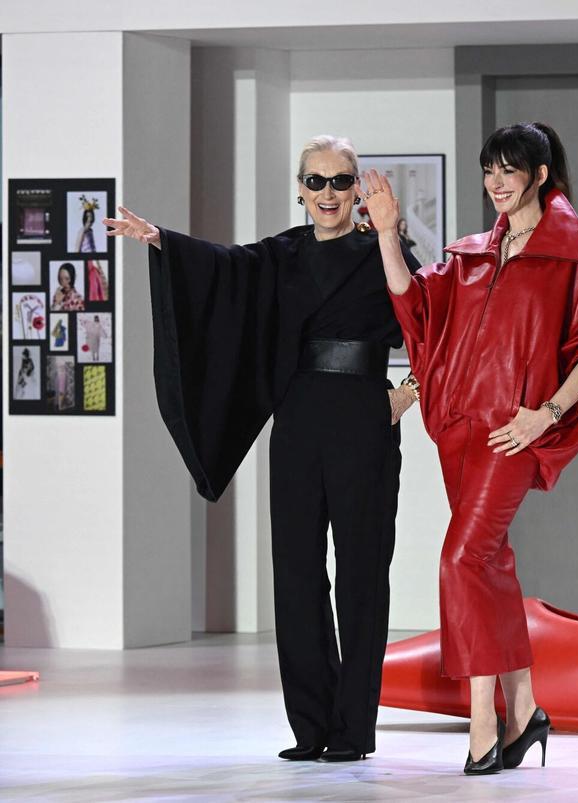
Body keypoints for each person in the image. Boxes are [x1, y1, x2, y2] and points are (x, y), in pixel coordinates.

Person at [104, 135, 422, 763]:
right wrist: (162, 241)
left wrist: (407, 391)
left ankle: (353, 730)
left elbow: (428, 320)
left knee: (362, 573)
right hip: (298, 416)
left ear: (357, 188)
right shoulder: (282, 253)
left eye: (340, 181)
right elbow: (222, 268)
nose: (327, 193)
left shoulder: (382, 247)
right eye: (316, 181)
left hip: (363, 414)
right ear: (300, 189)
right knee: (297, 572)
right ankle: (311, 726)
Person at [362, 121, 578, 774]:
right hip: (458, 431)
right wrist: (389, 233)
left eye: (509, 170)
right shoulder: (471, 256)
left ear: (540, 175)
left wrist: (548, 414)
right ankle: (527, 707)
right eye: (489, 171)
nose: (496, 183)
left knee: (462, 559)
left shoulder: (575, 255)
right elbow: (415, 307)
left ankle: (483, 718)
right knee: (489, 564)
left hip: (511, 435)